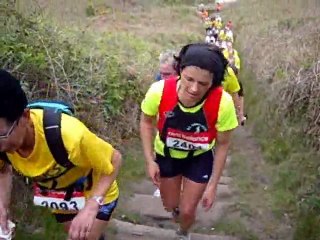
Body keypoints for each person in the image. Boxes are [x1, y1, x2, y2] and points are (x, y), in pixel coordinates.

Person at [0, 70, 122, 240]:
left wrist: (92, 205)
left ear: (25, 116)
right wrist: (2, 207)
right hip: (60, 198)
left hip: (96, 191)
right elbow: (3, 170)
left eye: (1, 135)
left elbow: (114, 159)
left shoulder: (69, 135)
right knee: (79, 233)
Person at [140, 43, 238, 240]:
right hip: (167, 155)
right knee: (169, 205)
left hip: (199, 158)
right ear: (180, 71)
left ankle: (184, 232)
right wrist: (150, 160)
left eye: (203, 84)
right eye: (189, 79)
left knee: (187, 211)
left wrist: (213, 185)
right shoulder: (158, 91)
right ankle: (177, 211)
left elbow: (224, 144)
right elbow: (146, 121)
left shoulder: (223, 102)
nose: (194, 89)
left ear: (214, 82)